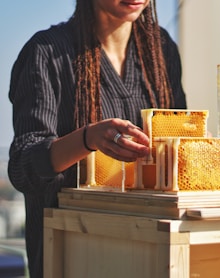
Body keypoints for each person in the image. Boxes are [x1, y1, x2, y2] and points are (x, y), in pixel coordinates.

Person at [8, 0, 187, 277]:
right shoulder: (46, 52)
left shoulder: (161, 49)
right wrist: (87, 139)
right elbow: (24, 167)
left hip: (151, 255)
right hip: (70, 255)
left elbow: (176, 152)